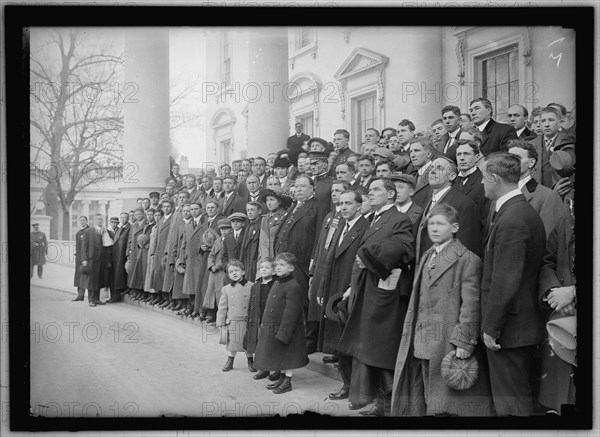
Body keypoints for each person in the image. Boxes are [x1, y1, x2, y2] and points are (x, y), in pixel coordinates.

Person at [392, 203, 493, 416]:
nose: (434, 228)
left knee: (445, 402)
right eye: (431, 224)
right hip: (421, 338)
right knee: (420, 394)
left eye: (441, 224)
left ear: (455, 227)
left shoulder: (467, 260)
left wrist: (464, 341)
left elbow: (471, 305)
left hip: (446, 341)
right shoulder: (428, 256)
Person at [336, 178, 415, 416]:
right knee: (368, 347)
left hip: (384, 295)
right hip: (367, 289)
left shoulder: (398, 218)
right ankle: (378, 402)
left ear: (390, 194)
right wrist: (353, 286)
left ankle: (387, 405)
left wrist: (370, 256)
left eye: (376, 189)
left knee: (379, 349)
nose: (370, 193)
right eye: (369, 190)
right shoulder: (377, 218)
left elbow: (404, 248)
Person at [480, 152, 546, 416]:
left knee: (512, 404)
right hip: (513, 325)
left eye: (484, 178)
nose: (482, 183)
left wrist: (492, 327)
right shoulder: (512, 211)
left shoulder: (514, 217)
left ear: (494, 178)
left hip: (510, 327)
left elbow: (506, 280)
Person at [318, 190, 370, 401]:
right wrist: (323, 288)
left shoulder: (364, 227)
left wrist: (351, 288)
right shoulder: (340, 225)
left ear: (359, 205)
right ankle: (347, 384)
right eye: (340, 204)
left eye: (348, 203)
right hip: (335, 288)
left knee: (350, 342)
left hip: (351, 291)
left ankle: (352, 387)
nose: (343, 207)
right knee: (340, 340)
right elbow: (329, 259)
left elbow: (362, 264)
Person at [537, 200, 576, 414]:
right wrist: (555, 291)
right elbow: (546, 260)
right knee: (559, 406)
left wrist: (574, 293)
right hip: (563, 319)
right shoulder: (566, 219)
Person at [253, 252, 309, 394]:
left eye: (282, 265)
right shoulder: (278, 282)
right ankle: (282, 378)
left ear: (291, 268)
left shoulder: (293, 286)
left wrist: (284, 332)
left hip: (287, 328)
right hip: (275, 327)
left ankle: (288, 381)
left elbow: (292, 312)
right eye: (276, 265)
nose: (277, 268)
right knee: (282, 355)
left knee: (289, 356)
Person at [274, 175, 329, 316]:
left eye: (303, 186)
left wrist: (313, 260)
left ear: (312, 189)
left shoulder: (319, 207)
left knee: (300, 302)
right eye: (297, 186)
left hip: (302, 262)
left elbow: (320, 237)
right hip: (284, 260)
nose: (298, 189)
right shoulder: (294, 206)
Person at [306, 180, 348, 354]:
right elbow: (320, 241)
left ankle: (332, 346)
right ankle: (313, 340)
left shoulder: (345, 217)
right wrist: (314, 261)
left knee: (329, 304)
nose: (334, 194)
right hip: (321, 261)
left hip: (333, 264)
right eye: (332, 191)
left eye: (338, 191)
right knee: (315, 302)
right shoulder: (330, 215)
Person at [414, 156, 482, 262]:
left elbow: (466, 248)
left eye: (439, 168)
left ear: (452, 176)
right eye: (431, 168)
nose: (432, 171)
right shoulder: (428, 201)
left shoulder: (464, 204)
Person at [508, 140, 567, 237]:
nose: (510, 162)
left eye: (516, 158)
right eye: (508, 158)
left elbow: (546, 241)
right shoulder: (498, 193)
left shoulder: (547, 197)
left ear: (531, 163)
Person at [217, 260, 254, 372]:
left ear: (243, 272)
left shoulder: (252, 286)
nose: (234, 273)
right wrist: (220, 322)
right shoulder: (226, 289)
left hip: (246, 320)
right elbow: (222, 307)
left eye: (236, 270)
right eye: (231, 272)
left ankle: (250, 361)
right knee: (232, 344)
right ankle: (230, 360)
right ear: (228, 275)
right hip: (233, 321)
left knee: (248, 343)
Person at [529, 106, 576, 189]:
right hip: (539, 193)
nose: (547, 124)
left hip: (563, 191)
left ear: (560, 122)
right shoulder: (531, 144)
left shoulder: (568, 142)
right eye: (543, 121)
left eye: (551, 120)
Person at [246, 259, 276, 380]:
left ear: (273, 271)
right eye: (261, 268)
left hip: (270, 319)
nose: (263, 270)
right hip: (258, 319)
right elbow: (251, 304)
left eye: (267, 268)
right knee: (261, 345)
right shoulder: (256, 286)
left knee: (272, 345)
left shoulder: (276, 285)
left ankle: (277, 369)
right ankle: (264, 369)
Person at [455, 140, 491, 225]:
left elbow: (485, 219)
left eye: (466, 154)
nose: (462, 158)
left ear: (477, 156)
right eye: (459, 154)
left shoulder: (484, 183)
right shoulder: (452, 182)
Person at [202, 218, 232, 321]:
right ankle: (211, 312)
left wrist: (217, 266)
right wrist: (211, 265)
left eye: (226, 229)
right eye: (222, 229)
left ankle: (220, 315)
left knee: (221, 293)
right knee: (211, 292)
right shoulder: (218, 241)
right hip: (213, 271)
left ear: (230, 229)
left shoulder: (230, 240)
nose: (224, 231)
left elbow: (226, 256)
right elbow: (211, 255)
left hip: (222, 270)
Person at [257, 187, 292, 268]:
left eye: (272, 200)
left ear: (279, 201)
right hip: (265, 260)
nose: (268, 203)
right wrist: (264, 259)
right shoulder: (265, 219)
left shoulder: (286, 217)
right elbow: (262, 242)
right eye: (267, 200)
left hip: (279, 258)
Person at [80, 214, 108, 307]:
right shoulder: (88, 231)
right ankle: (91, 300)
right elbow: (83, 246)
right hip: (91, 260)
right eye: (97, 219)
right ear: (94, 220)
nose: (99, 221)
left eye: (101, 219)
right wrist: (84, 259)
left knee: (99, 280)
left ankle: (97, 299)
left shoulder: (104, 231)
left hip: (101, 260)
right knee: (91, 280)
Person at [108, 212, 131, 303]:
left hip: (121, 256)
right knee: (113, 277)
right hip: (114, 256)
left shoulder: (127, 228)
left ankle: (116, 296)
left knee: (119, 277)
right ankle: (113, 296)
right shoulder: (118, 230)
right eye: (121, 218)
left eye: (124, 218)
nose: (123, 220)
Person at [124, 209, 147, 298]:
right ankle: (134, 290)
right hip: (133, 251)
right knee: (132, 271)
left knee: (140, 272)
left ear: (143, 214)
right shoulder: (133, 226)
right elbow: (130, 239)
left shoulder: (146, 224)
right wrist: (128, 250)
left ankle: (141, 292)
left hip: (141, 250)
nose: (138, 216)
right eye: (136, 215)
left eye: (140, 214)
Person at [408, 138, 434, 208]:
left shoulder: (437, 173)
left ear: (428, 154)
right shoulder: (414, 176)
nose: (412, 155)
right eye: (411, 152)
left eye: (416, 150)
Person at [240, 202, 263, 281]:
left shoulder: (262, 225)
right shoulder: (248, 227)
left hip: (256, 262)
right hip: (248, 263)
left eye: (252, 210)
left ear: (259, 211)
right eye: (248, 210)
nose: (249, 212)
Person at [73, 216, 89, 301]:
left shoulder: (89, 231)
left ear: (87, 221)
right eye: (81, 220)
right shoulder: (78, 233)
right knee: (79, 276)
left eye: (83, 220)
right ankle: (80, 295)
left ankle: (89, 296)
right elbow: (77, 245)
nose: (82, 222)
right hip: (79, 257)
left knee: (85, 276)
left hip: (86, 258)